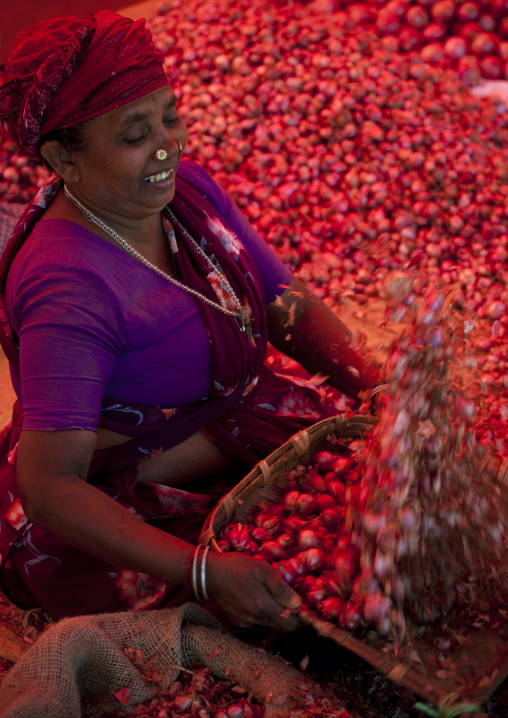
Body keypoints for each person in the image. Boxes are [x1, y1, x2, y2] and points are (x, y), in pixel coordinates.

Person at [0, 11, 378, 627]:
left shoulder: (186, 194)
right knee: (295, 600)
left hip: (235, 418)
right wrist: (201, 569)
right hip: (126, 502)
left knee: (368, 497)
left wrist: (377, 387)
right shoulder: (67, 288)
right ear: (62, 160)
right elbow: (50, 486)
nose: (168, 145)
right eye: (134, 135)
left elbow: (287, 303)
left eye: (171, 117)